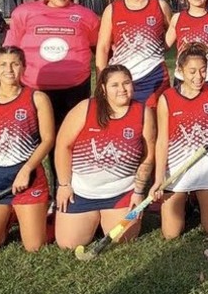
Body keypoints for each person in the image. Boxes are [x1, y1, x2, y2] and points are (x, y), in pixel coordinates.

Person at [3, 0, 100, 192]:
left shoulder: (86, 16)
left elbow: (101, 48)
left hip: (74, 90)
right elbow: (9, 51)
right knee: (32, 142)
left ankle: (66, 190)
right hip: (34, 89)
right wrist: (0, 83)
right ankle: (32, 195)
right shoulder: (24, 13)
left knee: (69, 142)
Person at [54, 65, 156, 249]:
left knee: (122, 239)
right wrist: (63, 184)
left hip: (121, 193)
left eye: (126, 83)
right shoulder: (86, 108)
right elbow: (63, 145)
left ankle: (106, 217)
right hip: (82, 193)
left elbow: (148, 157)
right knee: (68, 243)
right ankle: (87, 217)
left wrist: (139, 192)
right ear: (103, 89)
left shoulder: (144, 113)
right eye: (114, 85)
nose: (122, 89)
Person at [0, 46, 55, 252]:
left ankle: (48, 216)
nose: (9, 69)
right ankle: (11, 215)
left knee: (34, 246)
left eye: (15, 64)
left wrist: (26, 170)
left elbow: (48, 139)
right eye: (3, 65)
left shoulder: (37, 98)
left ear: (23, 67)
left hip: (28, 182)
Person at [150, 43, 208, 239]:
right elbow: (162, 140)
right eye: (192, 71)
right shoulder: (167, 98)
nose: (198, 77)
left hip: (207, 168)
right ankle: (189, 203)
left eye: (203, 70)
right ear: (180, 71)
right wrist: (158, 179)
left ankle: (198, 202)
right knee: (171, 234)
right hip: (177, 169)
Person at [96, 0, 172, 108]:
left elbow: (173, 35)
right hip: (122, 78)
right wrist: (100, 81)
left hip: (154, 76)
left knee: (153, 122)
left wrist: (156, 50)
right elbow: (103, 48)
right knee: (125, 121)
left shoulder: (160, 6)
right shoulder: (112, 10)